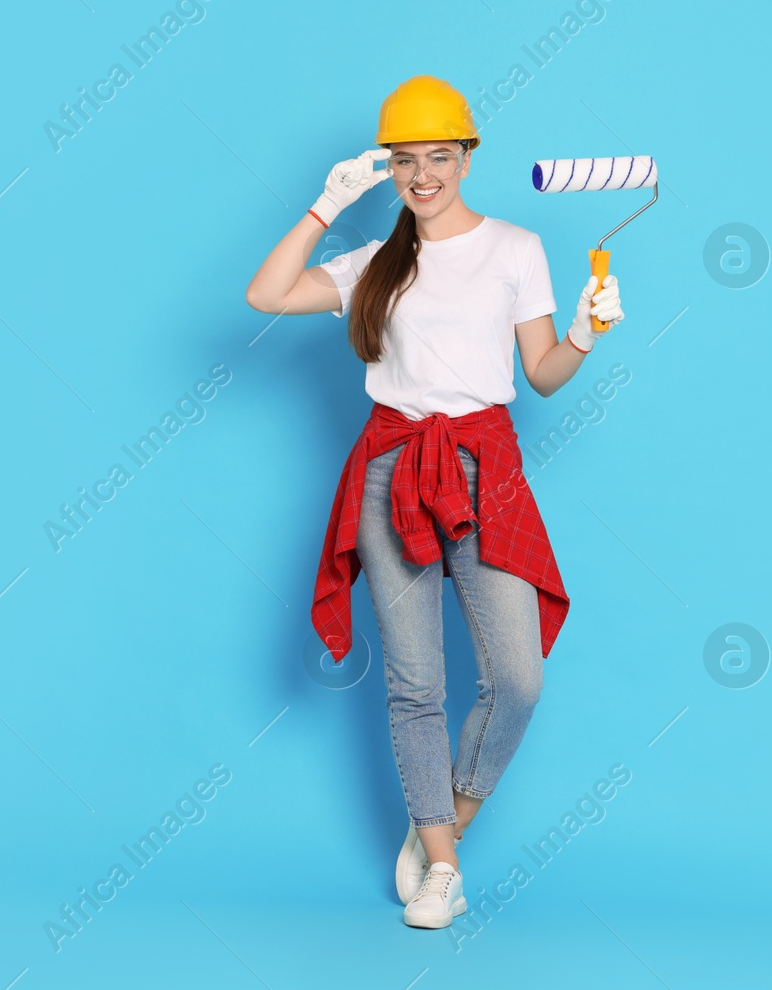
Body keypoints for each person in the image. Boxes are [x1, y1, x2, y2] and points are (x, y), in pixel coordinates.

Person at [244, 75, 625, 929]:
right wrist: (322, 204)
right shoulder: (372, 263)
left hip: (485, 469)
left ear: (467, 155)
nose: (423, 175)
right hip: (390, 469)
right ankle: (445, 868)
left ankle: (443, 821)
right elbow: (265, 295)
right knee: (416, 683)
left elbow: (543, 376)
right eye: (406, 161)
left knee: (516, 679)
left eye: (439, 157)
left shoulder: (518, 247)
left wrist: (586, 333)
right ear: (389, 169)